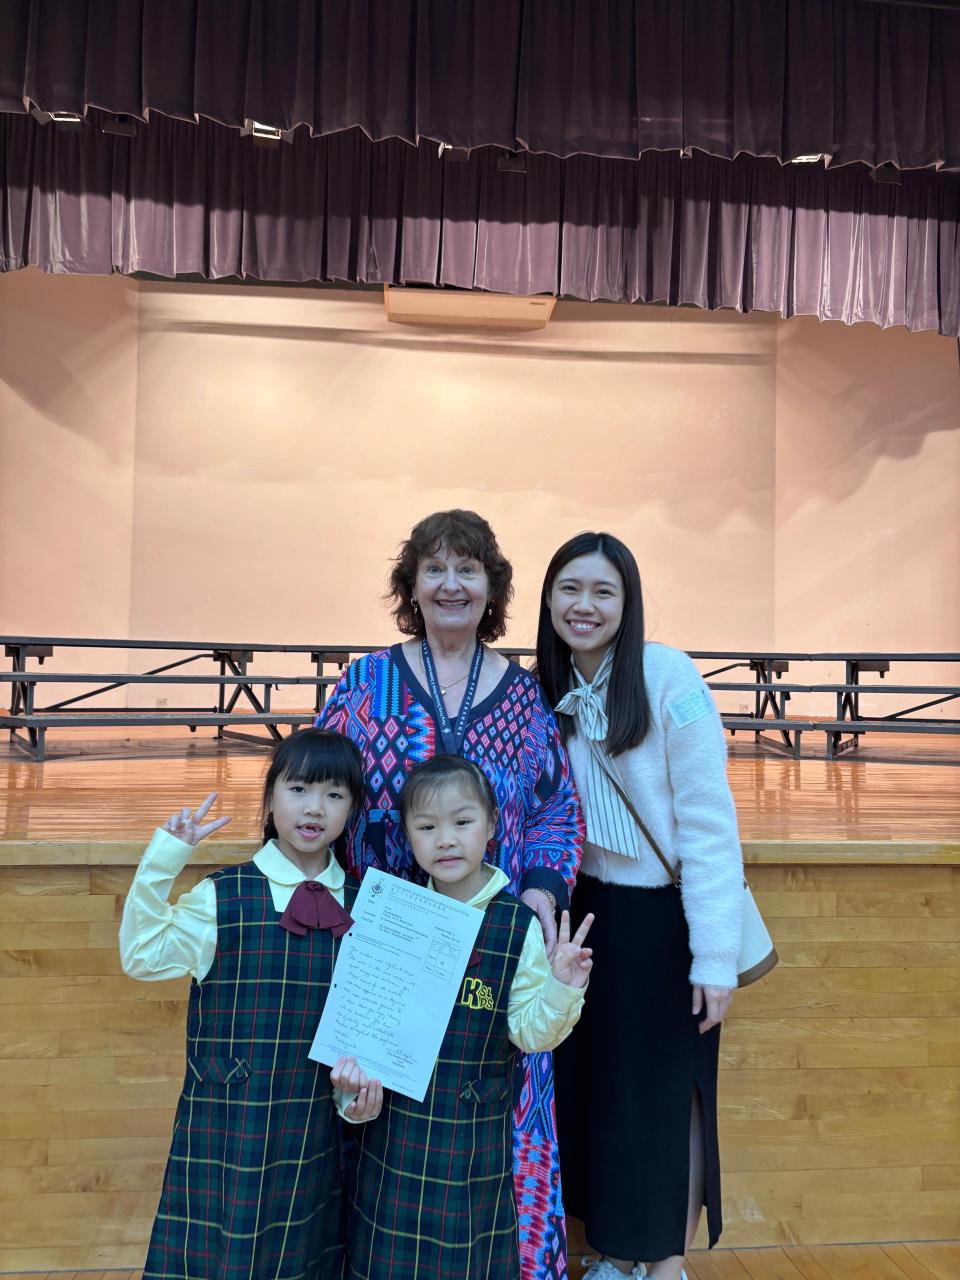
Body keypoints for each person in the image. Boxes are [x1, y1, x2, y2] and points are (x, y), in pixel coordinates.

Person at [318, 509, 584, 1280]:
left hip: (494, 943)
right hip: (387, 942)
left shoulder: (525, 698)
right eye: (434, 569)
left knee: (499, 1116)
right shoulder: (364, 683)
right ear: (411, 586)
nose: (451, 584)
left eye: (468, 569)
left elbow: (556, 810)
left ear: (491, 588)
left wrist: (541, 892)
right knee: (378, 1114)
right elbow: (323, 786)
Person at [537, 533, 743, 1280]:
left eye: (603, 591)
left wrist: (714, 955)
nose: (584, 606)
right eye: (569, 588)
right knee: (600, 1092)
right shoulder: (546, 684)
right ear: (548, 600)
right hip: (588, 911)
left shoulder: (667, 675)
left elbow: (709, 820)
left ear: (629, 602)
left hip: (663, 917)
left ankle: (663, 1263)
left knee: (659, 1095)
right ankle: (615, 1254)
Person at [119, 729, 384, 1280]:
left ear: (353, 808)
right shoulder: (223, 896)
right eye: (299, 788)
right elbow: (141, 955)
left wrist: (355, 1098)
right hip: (227, 1132)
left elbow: (366, 1037)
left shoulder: (367, 909)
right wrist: (166, 855)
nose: (315, 808)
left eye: (334, 794)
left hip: (314, 1136)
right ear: (270, 796)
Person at [347, 755, 593, 1280]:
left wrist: (562, 987)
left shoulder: (517, 925)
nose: (446, 840)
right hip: (394, 1141)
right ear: (407, 834)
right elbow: (365, 1028)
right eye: (426, 827)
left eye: (462, 822)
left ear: (492, 824)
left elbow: (530, 1032)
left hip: (473, 1147)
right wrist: (352, 1092)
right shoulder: (395, 915)